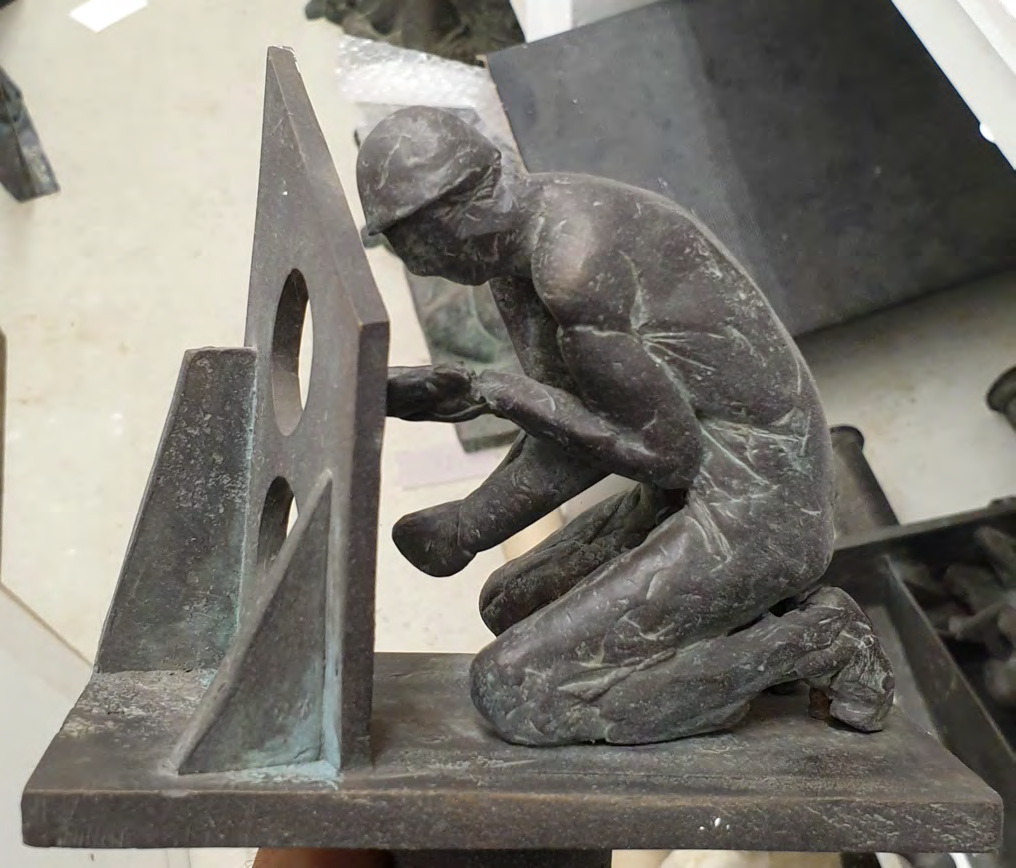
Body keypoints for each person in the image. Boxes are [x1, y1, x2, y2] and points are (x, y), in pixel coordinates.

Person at [357, 107, 893, 747]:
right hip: (683, 497)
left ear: (457, 211)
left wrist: (497, 393)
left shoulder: (577, 268)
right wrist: (467, 526)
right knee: (507, 605)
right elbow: (572, 439)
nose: (419, 266)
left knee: (514, 691)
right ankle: (741, 626)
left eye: (413, 245)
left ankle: (818, 640)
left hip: (761, 509)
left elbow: (661, 452)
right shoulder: (518, 262)